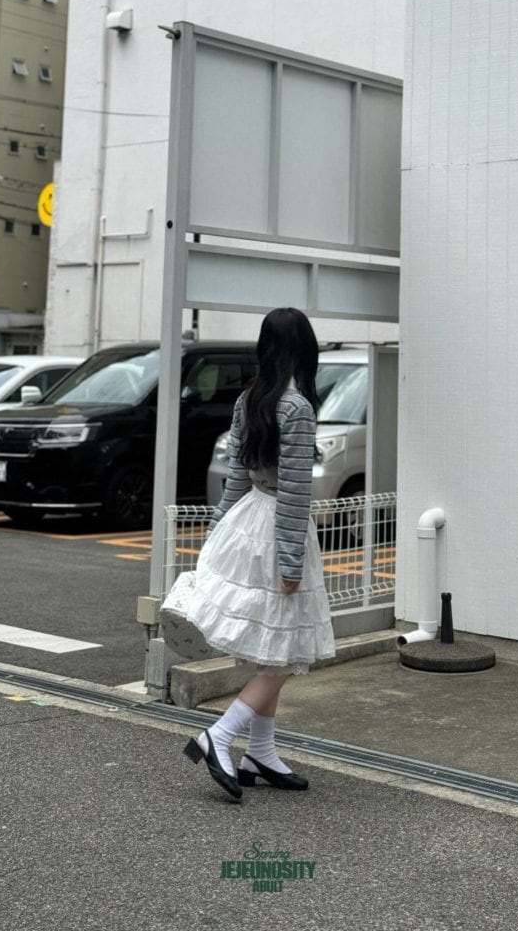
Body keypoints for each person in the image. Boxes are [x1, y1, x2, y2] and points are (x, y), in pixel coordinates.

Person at [182, 307, 336, 801]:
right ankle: (219, 735)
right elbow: (294, 494)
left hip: (247, 522)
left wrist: (215, 534)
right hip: (277, 531)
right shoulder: (298, 408)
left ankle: (260, 753)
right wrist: (291, 563)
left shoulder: (249, 399)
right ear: (304, 349)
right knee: (284, 656)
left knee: (273, 649)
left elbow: (235, 479)